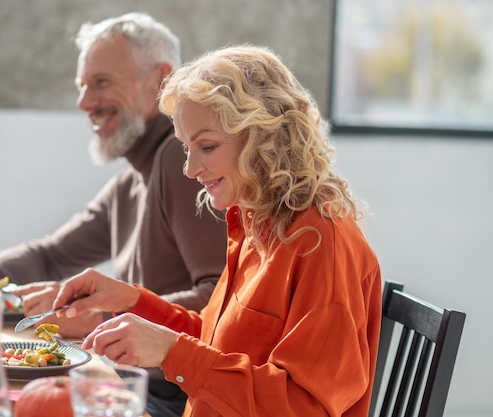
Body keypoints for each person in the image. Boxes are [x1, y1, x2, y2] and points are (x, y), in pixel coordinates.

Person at [51, 44, 383, 417]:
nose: (191, 169)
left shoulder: (321, 241)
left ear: (263, 138)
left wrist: (172, 352)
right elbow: (214, 338)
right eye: (187, 148)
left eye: (207, 146)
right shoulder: (256, 221)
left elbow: (307, 406)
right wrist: (130, 300)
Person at [0, 13, 227, 417]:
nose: (84, 102)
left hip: (175, 398)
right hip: (135, 382)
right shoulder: (131, 182)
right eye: (82, 86)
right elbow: (54, 255)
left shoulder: (179, 163)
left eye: (101, 82)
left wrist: (101, 317)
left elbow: (219, 299)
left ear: (163, 81)